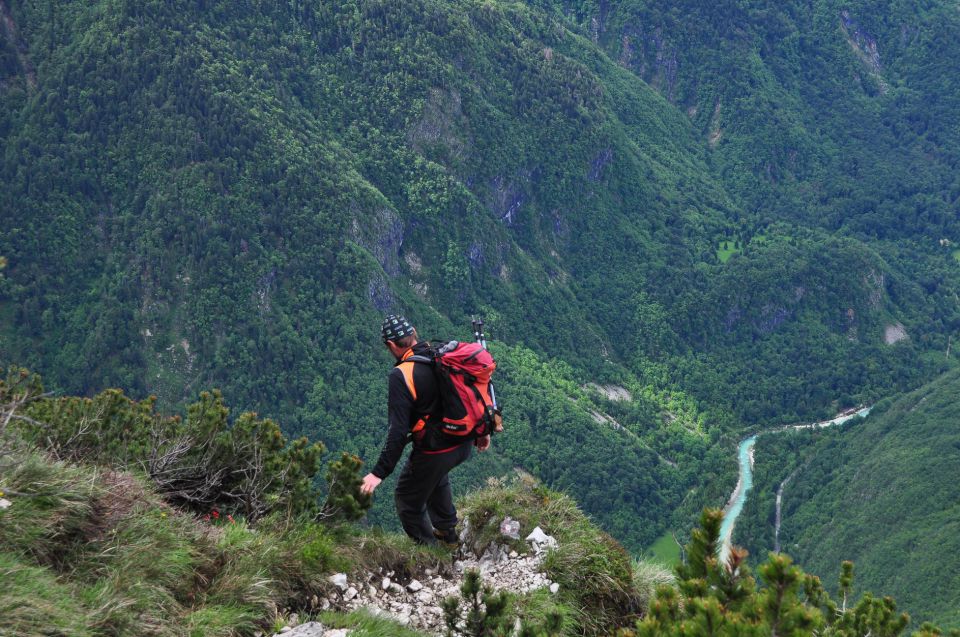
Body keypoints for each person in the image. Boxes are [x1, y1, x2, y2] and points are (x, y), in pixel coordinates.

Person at [360, 314, 490, 546]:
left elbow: (398, 432)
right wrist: (481, 430)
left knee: (407, 498)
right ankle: (448, 537)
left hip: (437, 451)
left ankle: (430, 552)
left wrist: (378, 473)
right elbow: (466, 396)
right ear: (414, 333)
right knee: (432, 477)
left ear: (390, 345)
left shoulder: (401, 375)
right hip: (464, 442)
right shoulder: (440, 355)